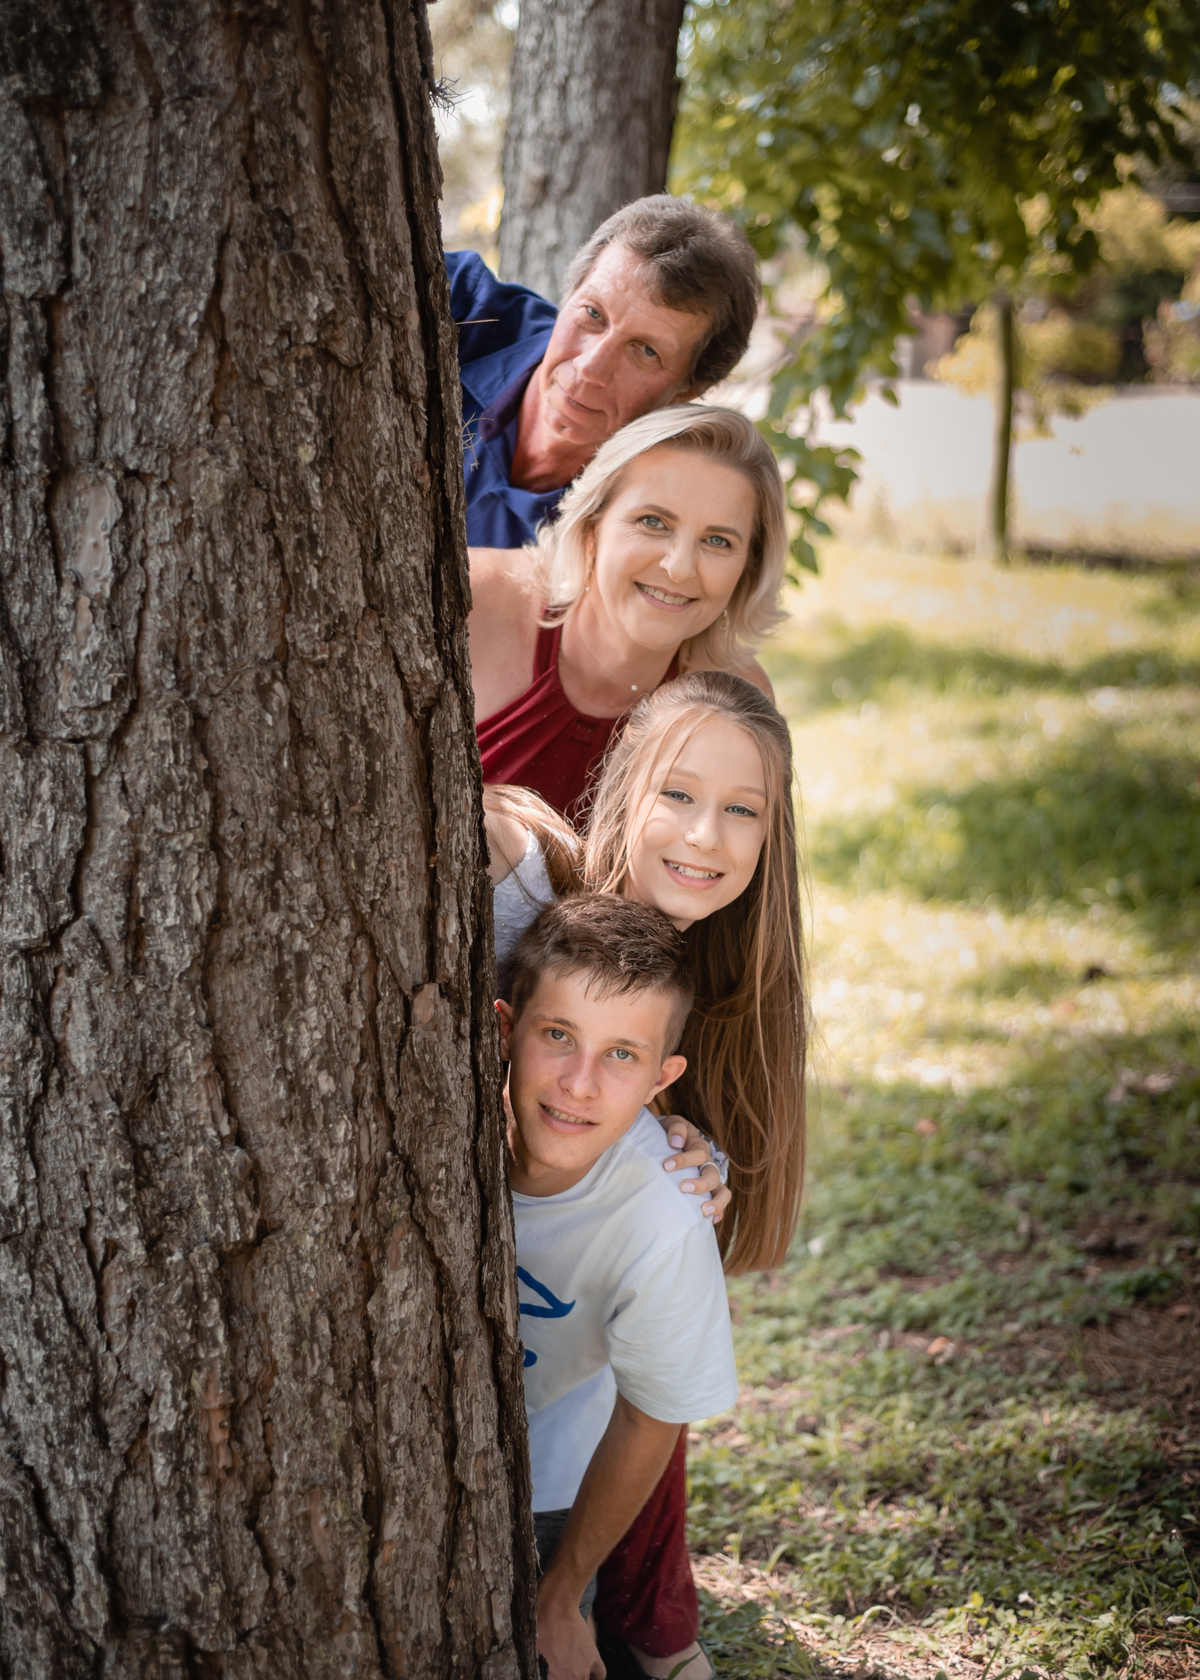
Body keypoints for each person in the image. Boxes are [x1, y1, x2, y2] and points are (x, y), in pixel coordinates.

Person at [487, 670, 809, 1680]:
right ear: (624, 787)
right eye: (677, 793)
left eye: (740, 811)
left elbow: (659, 1387)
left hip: (554, 1431)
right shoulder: (523, 884)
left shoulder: (725, 989)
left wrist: (686, 1142)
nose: (705, 837)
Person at [499, 895, 740, 1680]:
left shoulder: (667, 1212)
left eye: (622, 1056)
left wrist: (559, 1600)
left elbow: (652, 1412)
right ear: (505, 1027)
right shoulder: (411, 1118)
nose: (578, 1083)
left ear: (663, 1079)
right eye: (558, 1035)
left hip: (545, 1486)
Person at [471, 405, 788, 822]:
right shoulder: (472, 602)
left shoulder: (736, 701)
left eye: (717, 541)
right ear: (592, 526)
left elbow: (750, 880)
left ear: (748, 567)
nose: (679, 567)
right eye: (653, 521)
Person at [447, 196, 761, 548]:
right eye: (593, 314)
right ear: (569, 296)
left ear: (685, 390)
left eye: (645, 351)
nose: (590, 367)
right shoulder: (454, 305)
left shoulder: (638, 528)